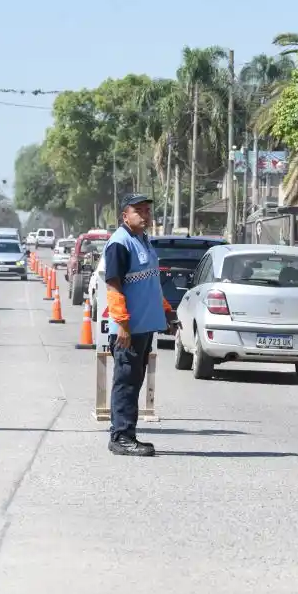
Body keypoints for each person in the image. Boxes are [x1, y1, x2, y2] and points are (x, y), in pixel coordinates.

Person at [103, 193, 177, 457]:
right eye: (139, 211)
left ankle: (128, 434)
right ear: (125, 216)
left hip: (144, 327)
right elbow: (113, 285)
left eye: (147, 210)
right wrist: (122, 324)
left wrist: (166, 312)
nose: (145, 215)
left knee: (134, 381)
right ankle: (120, 437)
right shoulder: (120, 243)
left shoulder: (143, 241)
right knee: (125, 382)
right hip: (128, 330)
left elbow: (151, 282)